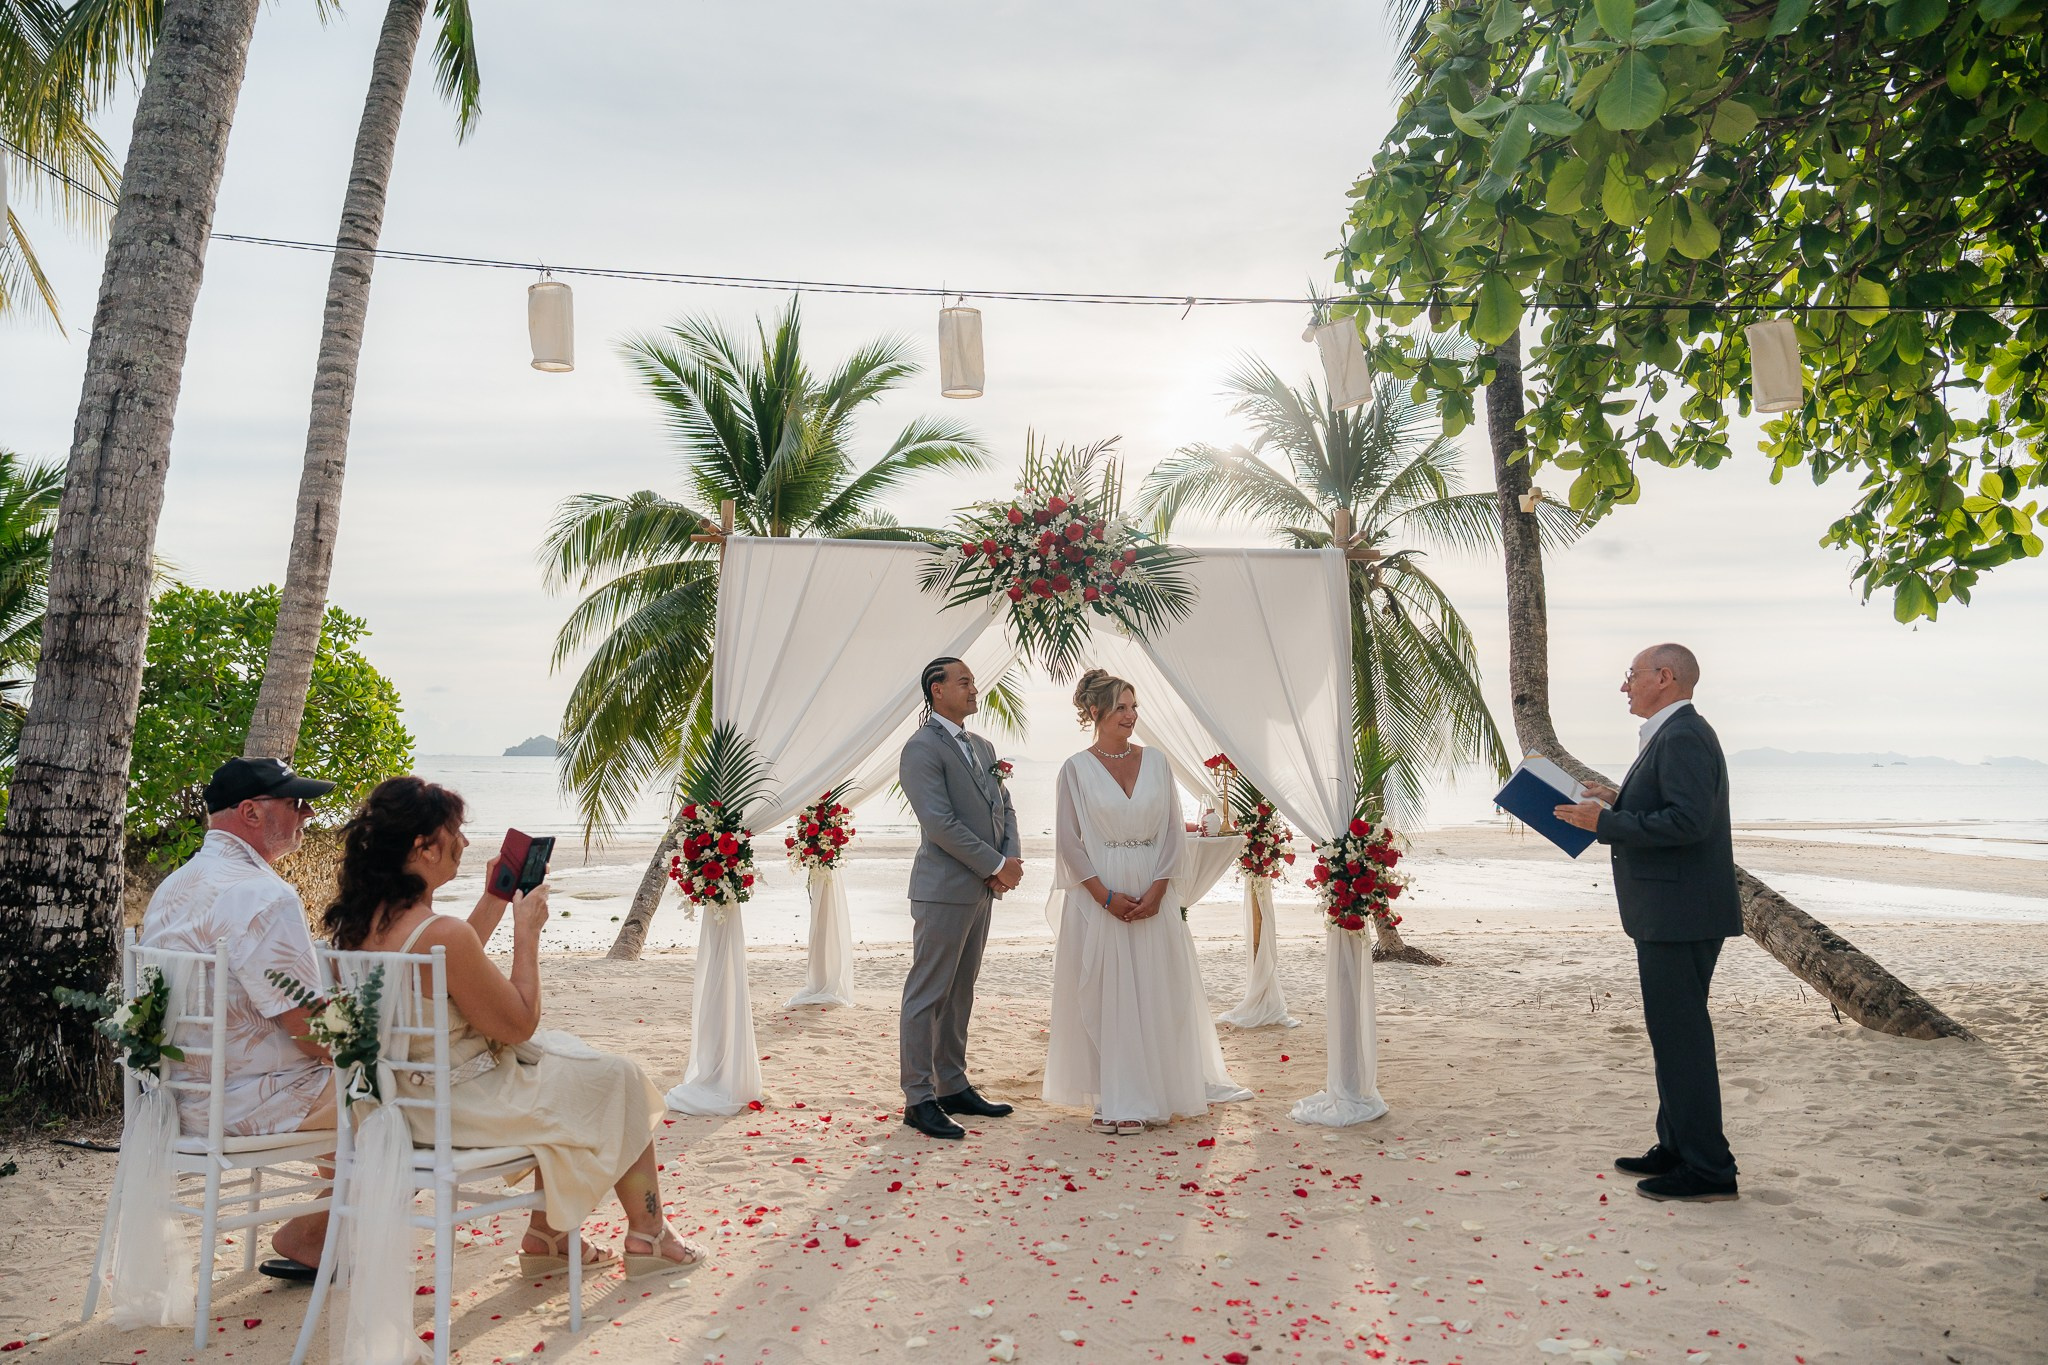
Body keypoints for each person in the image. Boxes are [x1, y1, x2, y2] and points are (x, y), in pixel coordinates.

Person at [325, 776, 704, 1275]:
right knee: (618, 1077)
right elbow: (518, 1024)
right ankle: (649, 1235)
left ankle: (550, 1235)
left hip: (399, 1101)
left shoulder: (356, 928)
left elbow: (440, 974)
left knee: (575, 1064)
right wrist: (528, 934)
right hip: (462, 1107)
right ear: (423, 848)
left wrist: (494, 901)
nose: (463, 842)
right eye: (454, 832)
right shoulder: (441, 933)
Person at [1555, 643, 1742, 1203]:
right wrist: (1616, 799)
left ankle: (1709, 1169)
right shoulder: (1673, 732)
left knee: (1681, 1040)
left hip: (1679, 913)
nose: (1624, 686)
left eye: (1631, 675)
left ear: (1665, 677)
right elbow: (1671, 807)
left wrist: (1606, 821)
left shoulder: (1683, 734)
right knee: (1672, 1036)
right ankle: (1676, 1146)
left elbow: (1688, 822)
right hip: (1674, 910)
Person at [140, 756, 339, 1273]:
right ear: (251, 812)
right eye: (296, 803)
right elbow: (313, 1033)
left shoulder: (173, 888)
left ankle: (322, 1228)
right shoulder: (264, 894)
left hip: (174, 1099)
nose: (308, 814)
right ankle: (312, 1233)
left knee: (369, 1075)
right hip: (246, 1102)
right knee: (399, 1086)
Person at [1042, 670, 1250, 1135]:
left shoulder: (1157, 762)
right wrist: (1104, 897)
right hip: (1101, 893)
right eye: (1121, 707)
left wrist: (1158, 892)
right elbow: (1068, 843)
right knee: (1104, 992)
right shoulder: (1074, 769)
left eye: (1134, 707)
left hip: (1152, 890)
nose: (1131, 716)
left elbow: (1174, 833)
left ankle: (1146, 1094)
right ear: (1094, 711)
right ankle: (1112, 1095)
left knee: (1152, 990)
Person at [896, 656, 1021, 1140]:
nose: (974, 688)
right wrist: (994, 864)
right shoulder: (920, 749)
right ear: (937, 689)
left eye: (973, 681)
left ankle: (952, 1084)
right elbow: (939, 824)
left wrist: (1009, 861)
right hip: (943, 890)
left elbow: (1003, 807)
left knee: (960, 990)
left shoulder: (983, 745)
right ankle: (918, 1098)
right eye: (964, 681)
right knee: (927, 994)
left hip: (982, 889)